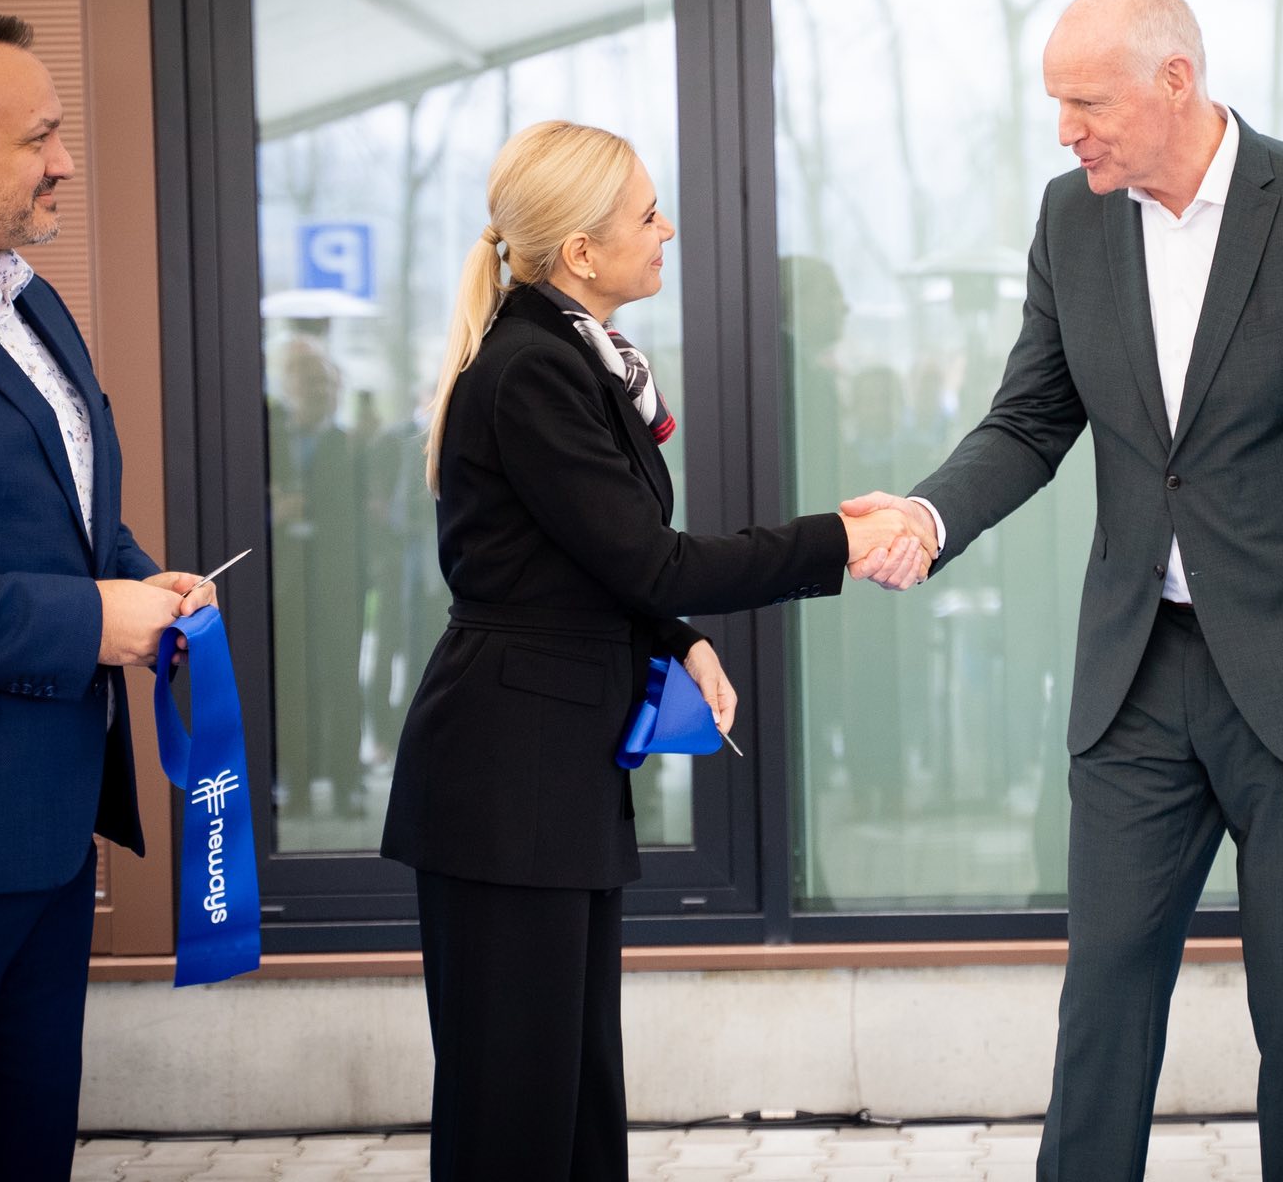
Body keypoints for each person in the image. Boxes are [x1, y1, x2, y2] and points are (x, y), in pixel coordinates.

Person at [848, 0, 1283, 1182]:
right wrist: (927, 512)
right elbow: (1029, 419)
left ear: (1174, 81)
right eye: (1055, 104)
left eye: (1085, 103)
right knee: (1104, 1000)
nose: (1064, 131)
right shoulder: (1071, 219)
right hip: (1139, 672)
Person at [378, 120, 927, 1180]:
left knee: (573, 1099)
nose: (666, 229)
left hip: (547, 774)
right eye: (647, 214)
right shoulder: (534, 371)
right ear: (581, 251)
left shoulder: (571, 359)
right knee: (516, 1111)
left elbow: (582, 560)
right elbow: (651, 558)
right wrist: (841, 541)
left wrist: (676, 639)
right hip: (509, 780)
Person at [0, 8, 213, 1179]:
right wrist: (90, 621)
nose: (65, 161)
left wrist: (134, 580)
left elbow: (62, 514)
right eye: (40, 137)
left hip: (48, 837)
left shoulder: (27, 299)